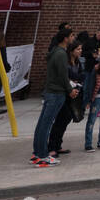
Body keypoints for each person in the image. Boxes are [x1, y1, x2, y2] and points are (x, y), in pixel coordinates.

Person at [33, 27, 78, 166]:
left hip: (51, 91)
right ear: (65, 38)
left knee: (42, 124)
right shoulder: (61, 54)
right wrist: (70, 89)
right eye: (71, 36)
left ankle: (37, 153)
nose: (73, 38)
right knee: (46, 125)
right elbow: (62, 75)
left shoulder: (55, 52)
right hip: (56, 93)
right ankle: (42, 155)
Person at [47, 39, 86, 158]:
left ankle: (57, 145)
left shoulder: (78, 62)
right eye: (78, 49)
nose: (80, 51)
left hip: (73, 93)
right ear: (71, 50)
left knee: (66, 119)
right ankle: (52, 147)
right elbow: (64, 76)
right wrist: (72, 81)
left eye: (81, 49)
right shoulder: (66, 62)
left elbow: (80, 76)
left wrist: (76, 81)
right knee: (61, 118)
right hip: (63, 93)